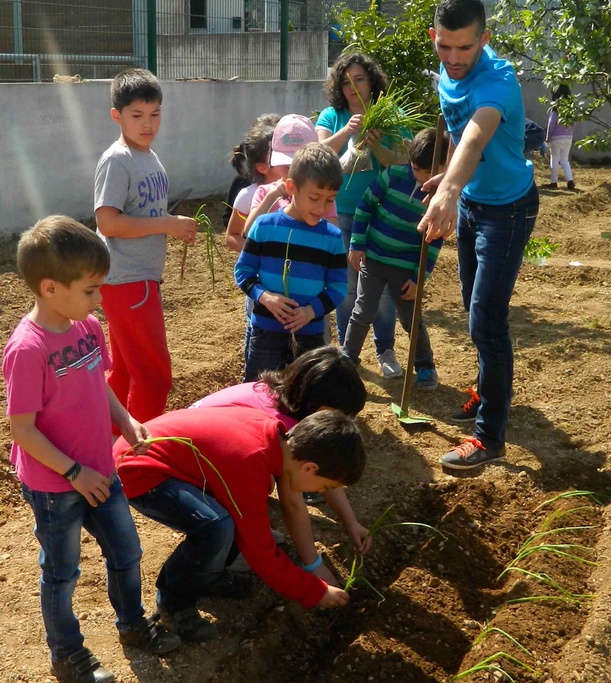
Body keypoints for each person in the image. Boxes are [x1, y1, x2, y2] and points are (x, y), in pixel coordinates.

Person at [3, 217, 181, 683]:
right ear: (49, 287)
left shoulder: (86, 327)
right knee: (62, 574)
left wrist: (124, 420)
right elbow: (21, 429)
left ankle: (132, 625)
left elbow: (98, 385)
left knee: (127, 551)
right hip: (55, 485)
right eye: (90, 290)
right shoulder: (28, 349)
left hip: (101, 468)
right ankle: (67, 653)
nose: (99, 299)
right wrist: (73, 472)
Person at [116, 408, 363, 642]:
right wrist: (313, 591)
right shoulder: (249, 460)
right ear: (310, 468)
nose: (322, 491)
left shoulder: (274, 438)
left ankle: (211, 575)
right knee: (216, 527)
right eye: (326, 486)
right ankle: (174, 602)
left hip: (167, 462)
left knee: (233, 519)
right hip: (140, 469)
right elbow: (260, 551)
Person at [420, 0, 540, 470]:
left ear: (483, 40)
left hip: (507, 210)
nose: (453, 57)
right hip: (472, 202)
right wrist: (449, 179)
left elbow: (475, 133)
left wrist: (448, 190)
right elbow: (454, 135)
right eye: (444, 46)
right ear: (435, 37)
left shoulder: (497, 80)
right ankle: (486, 387)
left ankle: (489, 437)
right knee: (474, 309)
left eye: (464, 47)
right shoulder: (448, 71)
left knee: (487, 321)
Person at [94, 68, 197, 423]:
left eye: (154, 114)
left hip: (136, 280)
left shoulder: (148, 157)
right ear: (116, 116)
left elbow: (144, 212)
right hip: (128, 280)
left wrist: (172, 225)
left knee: (123, 372)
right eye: (137, 115)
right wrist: (167, 223)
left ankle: (108, 451)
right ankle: (136, 461)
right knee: (154, 377)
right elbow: (108, 222)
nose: (147, 124)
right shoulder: (117, 160)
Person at [191, 344, 370, 542]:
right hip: (189, 474)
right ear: (317, 402)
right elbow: (292, 503)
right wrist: (312, 564)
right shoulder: (286, 429)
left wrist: (351, 523)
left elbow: (329, 469)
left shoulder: (274, 393)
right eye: (339, 412)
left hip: (194, 454)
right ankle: (233, 542)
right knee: (264, 479)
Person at [315, 53, 403, 379]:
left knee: (378, 286)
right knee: (346, 286)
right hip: (340, 212)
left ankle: (385, 350)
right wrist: (347, 132)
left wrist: (377, 143)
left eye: (359, 79)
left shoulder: (388, 114)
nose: (352, 86)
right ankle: (347, 354)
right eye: (346, 80)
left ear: (371, 82)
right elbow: (320, 154)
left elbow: (400, 159)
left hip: (379, 212)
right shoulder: (331, 115)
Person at [343, 127, 446, 390]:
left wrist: (419, 276)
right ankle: (346, 361)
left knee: (412, 319)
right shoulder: (392, 176)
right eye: (415, 168)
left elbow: (434, 240)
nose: (420, 176)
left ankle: (425, 367)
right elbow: (365, 206)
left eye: (426, 172)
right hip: (374, 260)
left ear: (442, 167)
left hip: (406, 269)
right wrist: (357, 242)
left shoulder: (439, 196)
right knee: (362, 310)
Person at [235, 142, 347, 381]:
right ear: (291, 187)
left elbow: (338, 288)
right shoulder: (265, 226)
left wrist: (310, 311)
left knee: (305, 395)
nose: (321, 207)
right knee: (260, 391)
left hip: (310, 335)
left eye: (330, 200)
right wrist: (265, 297)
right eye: (315, 197)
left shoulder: (332, 238)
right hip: (267, 331)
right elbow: (243, 271)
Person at [224, 113, 281, 253]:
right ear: (262, 167)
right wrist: (257, 257)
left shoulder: (302, 190)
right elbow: (232, 235)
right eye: (279, 154)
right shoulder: (247, 195)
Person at [545, 84, 576, 190]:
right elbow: (574, 124)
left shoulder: (555, 109)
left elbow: (551, 124)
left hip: (556, 138)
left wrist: (548, 137)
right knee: (564, 160)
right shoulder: (570, 110)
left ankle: (554, 182)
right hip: (568, 137)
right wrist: (570, 133)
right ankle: (570, 180)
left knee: (554, 159)